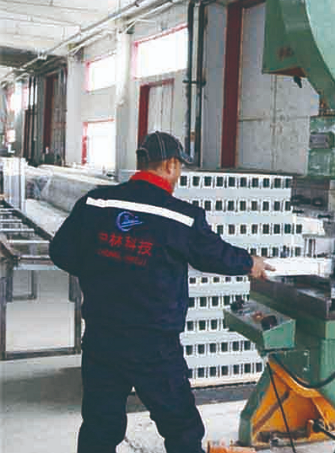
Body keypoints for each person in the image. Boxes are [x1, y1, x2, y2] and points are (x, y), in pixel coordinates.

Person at [49, 131, 274, 453]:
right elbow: (215, 254)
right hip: (153, 345)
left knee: (99, 426)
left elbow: (60, 251)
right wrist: (251, 262)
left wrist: (103, 271)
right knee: (181, 428)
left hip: (102, 337)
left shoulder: (96, 202)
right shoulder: (180, 216)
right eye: (179, 167)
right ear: (170, 164)